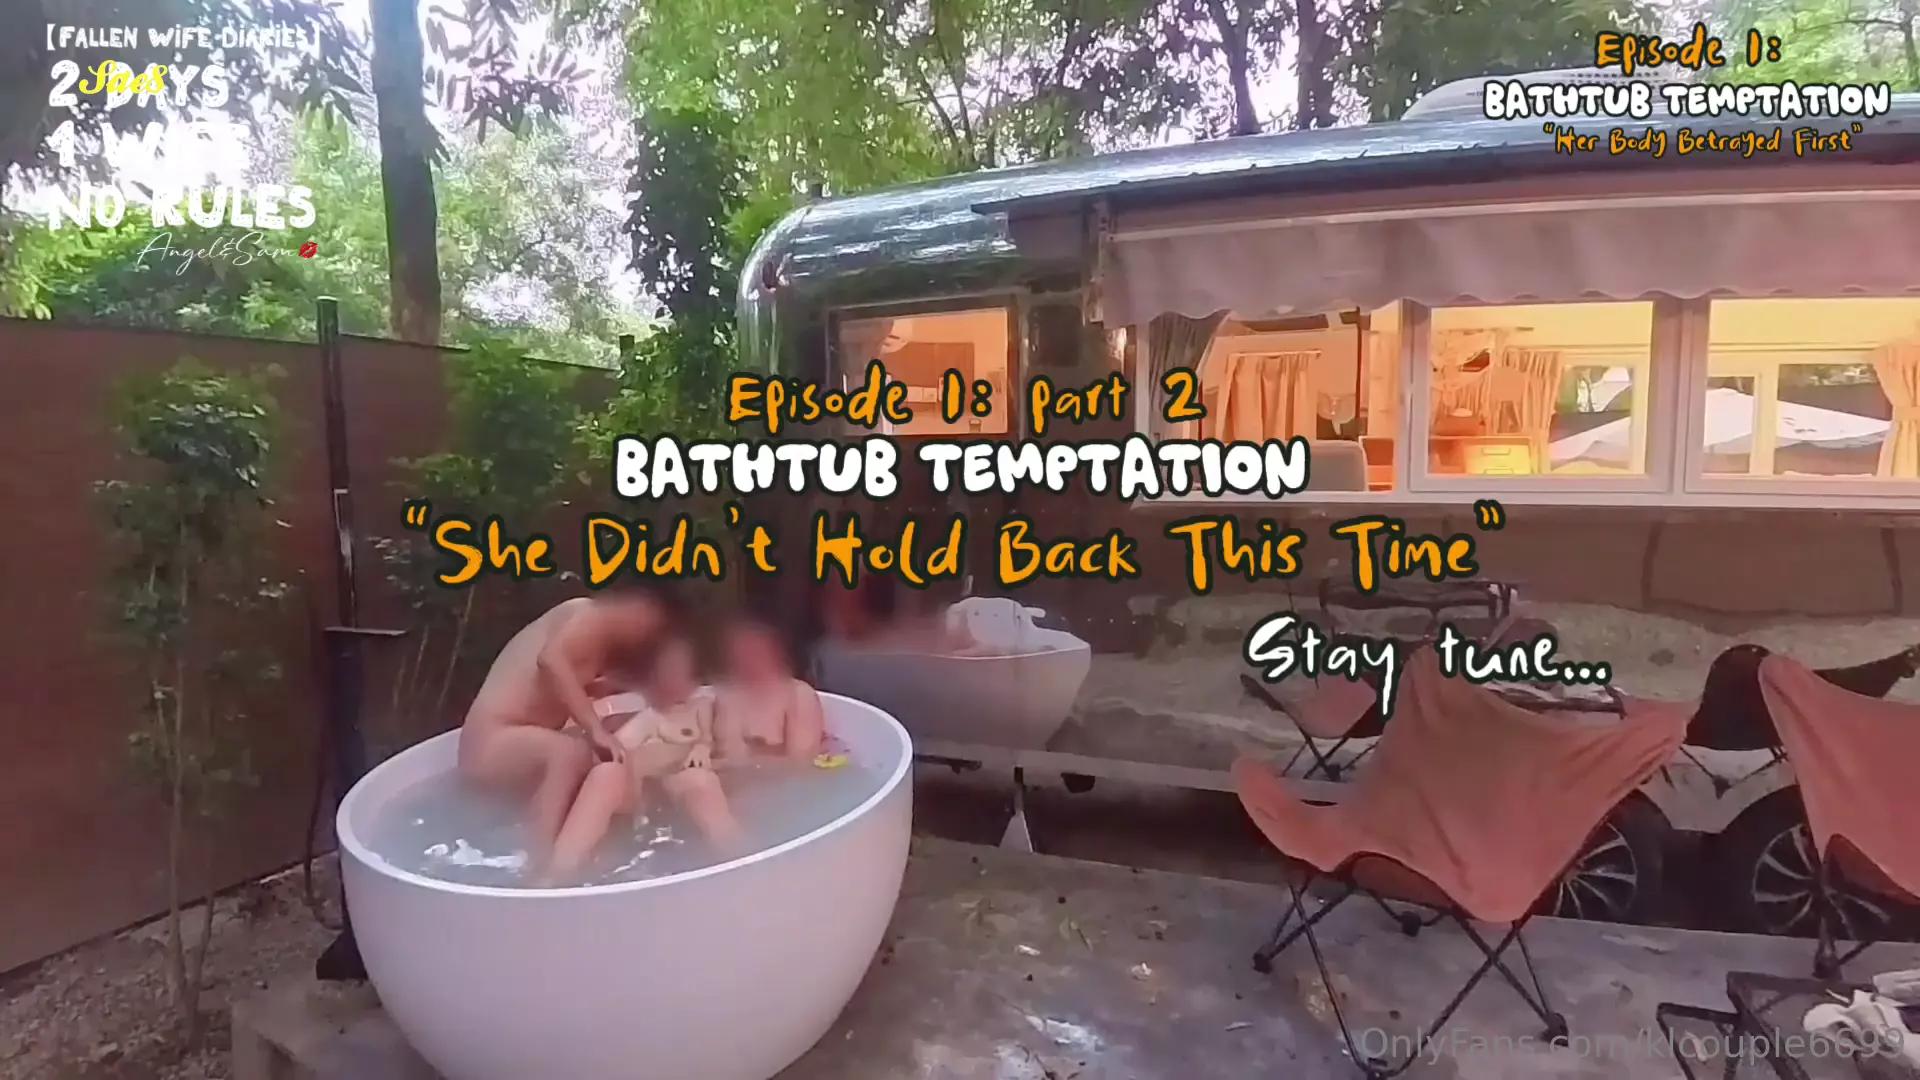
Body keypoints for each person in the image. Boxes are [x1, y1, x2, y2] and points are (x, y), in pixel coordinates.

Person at [456, 592, 668, 869]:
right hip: (491, 739)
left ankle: (583, 851)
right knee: (568, 752)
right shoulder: (587, 613)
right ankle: (537, 859)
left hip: (525, 742)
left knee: (602, 759)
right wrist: (595, 729)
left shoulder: (600, 644)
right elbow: (550, 661)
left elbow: (565, 689)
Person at [542, 636, 743, 884]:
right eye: (667, 671)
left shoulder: (708, 704)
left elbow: (726, 749)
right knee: (606, 774)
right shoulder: (649, 715)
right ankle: (555, 876)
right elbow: (619, 748)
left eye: (681, 671)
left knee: (700, 781)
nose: (675, 679)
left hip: (680, 784)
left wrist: (702, 747)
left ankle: (745, 861)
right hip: (641, 790)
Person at [715, 617, 826, 764]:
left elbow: (801, 763)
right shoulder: (726, 696)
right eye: (739, 648)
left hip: (786, 778)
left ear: (775, 649)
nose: (744, 656)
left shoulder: (799, 696)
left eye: (753, 648)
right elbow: (728, 754)